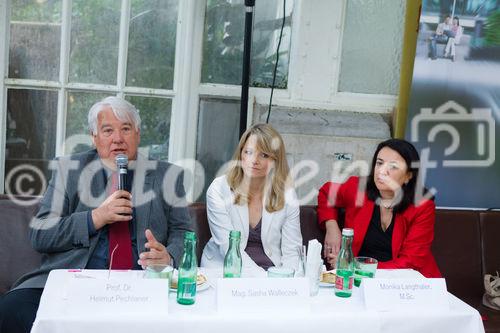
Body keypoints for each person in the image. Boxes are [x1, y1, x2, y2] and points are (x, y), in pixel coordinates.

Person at [0, 96, 192, 332]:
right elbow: (41, 234)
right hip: (76, 280)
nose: (117, 139)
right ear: (94, 137)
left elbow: (184, 232)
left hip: (140, 285)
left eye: (126, 129)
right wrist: (95, 218)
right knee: (12, 309)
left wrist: (169, 257)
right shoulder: (68, 170)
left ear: (138, 134)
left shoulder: (168, 176)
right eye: (108, 130)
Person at [317, 138, 441, 278]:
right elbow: (327, 193)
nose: (382, 171)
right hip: (361, 283)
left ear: (408, 176)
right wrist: (331, 226)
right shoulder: (358, 189)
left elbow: (410, 263)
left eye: (393, 166)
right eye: (379, 163)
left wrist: (354, 267)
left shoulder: (422, 206)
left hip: (407, 285)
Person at [201, 124, 302, 273]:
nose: (254, 160)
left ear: (276, 160)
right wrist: (263, 282)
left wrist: (286, 280)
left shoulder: (287, 194)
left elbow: (292, 251)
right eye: (249, 152)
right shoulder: (219, 189)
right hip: (226, 269)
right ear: (240, 153)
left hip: (272, 270)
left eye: (264, 155)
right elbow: (227, 247)